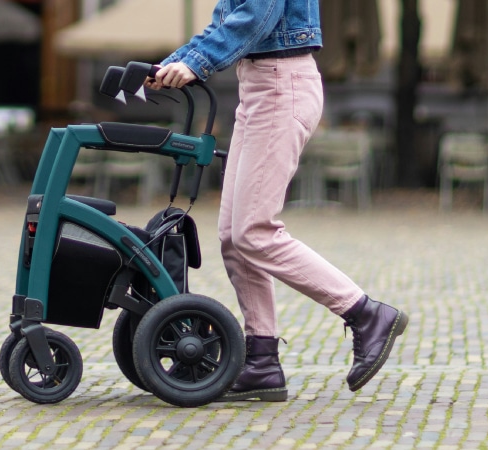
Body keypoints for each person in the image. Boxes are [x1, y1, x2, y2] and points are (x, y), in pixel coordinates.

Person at [146, 0, 408, 401]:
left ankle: (366, 313)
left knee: (254, 230)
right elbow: (228, 20)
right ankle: (262, 361)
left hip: (280, 86)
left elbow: (258, 17)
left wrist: (196, 63)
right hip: (256, 87)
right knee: (234, 237)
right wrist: (172, 64)